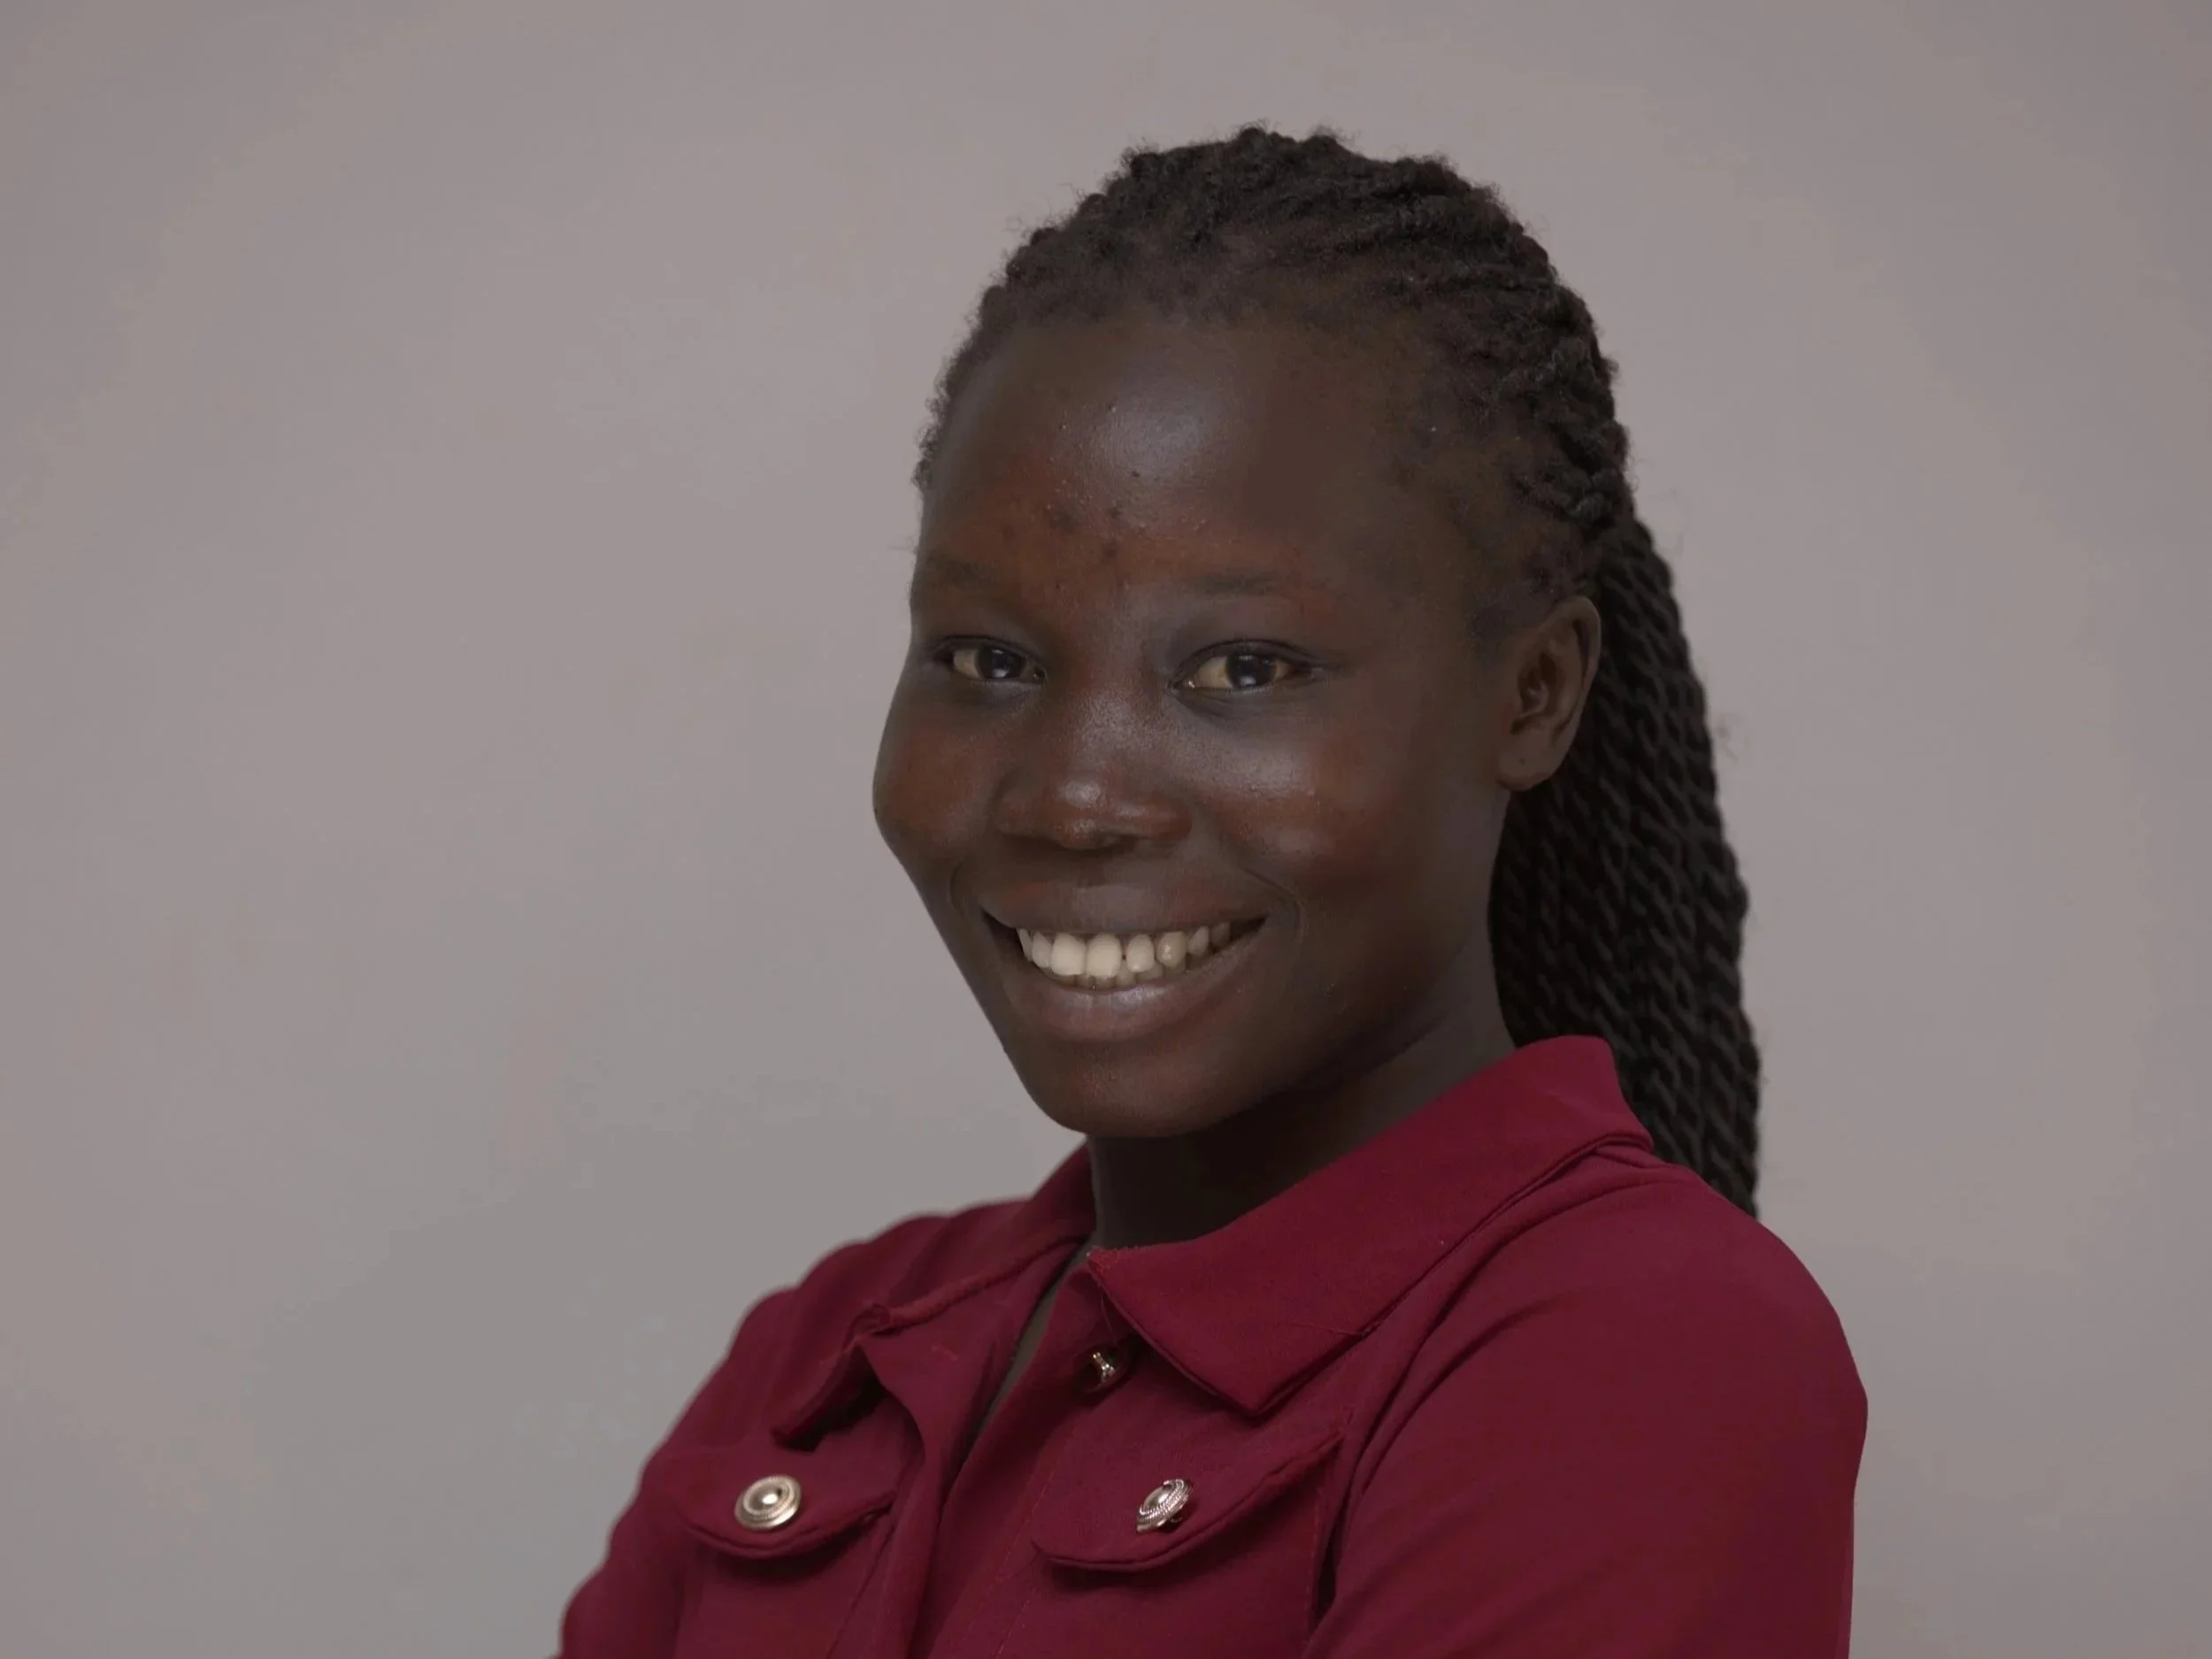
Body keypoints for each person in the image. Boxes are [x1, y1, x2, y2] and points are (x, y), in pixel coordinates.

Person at [553, 126, 1865, 1658]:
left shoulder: (1637, 1346)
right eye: (990, 661)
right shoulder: (835, 1348)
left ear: (1535, 694)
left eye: (1244, 669)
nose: (1073, 794)